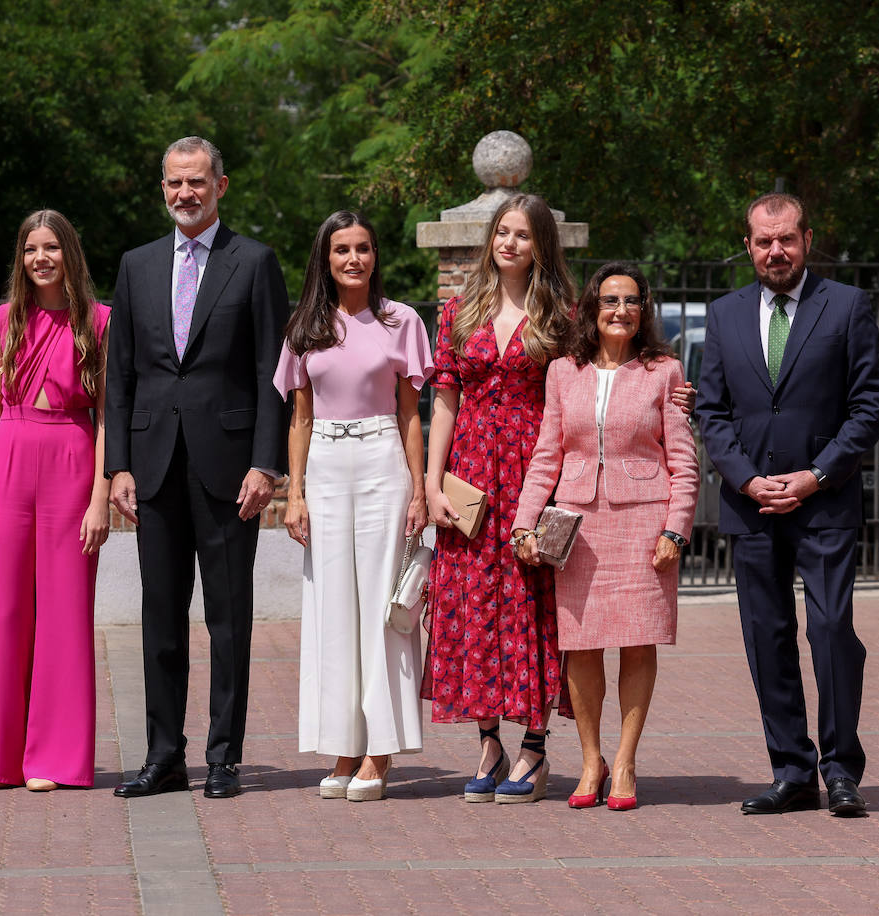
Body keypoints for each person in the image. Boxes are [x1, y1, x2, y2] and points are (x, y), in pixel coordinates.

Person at [695, 192, 879, 817]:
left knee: (831, 631)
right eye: (762, 241)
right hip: (751, 506)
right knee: (766, 637)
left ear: (807, 238)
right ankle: (792, 770)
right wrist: (749, 480)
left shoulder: (847, 307)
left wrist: (816, 475)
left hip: (825, 503)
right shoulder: (723, 316)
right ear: (747, 245)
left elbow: (869, 406)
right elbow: (712, 412)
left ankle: (840, 770)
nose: (774, 251)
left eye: (785, 239)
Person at [107, 136, 287, 800]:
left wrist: (268, 464)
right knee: (160, 617)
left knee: (229, 617)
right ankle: (164, 754)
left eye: (198, 182)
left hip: (230, 467)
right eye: (174, 183)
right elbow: (120, 375)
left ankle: (224, 757)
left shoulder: (255, 262)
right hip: (153, 467)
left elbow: (276, 373)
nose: (186, 193)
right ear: (163, 188)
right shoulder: (137, 265)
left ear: (221, 185)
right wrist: (116, 466)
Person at [513, 262, 699, 811]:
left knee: (638, 642)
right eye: (610, 300)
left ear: (644, 310)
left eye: (632, 301)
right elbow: (547, 454)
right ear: (591, 309)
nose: (621, 310)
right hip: (578, 529)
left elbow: (685, 463)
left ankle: (625, 761)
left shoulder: (664, 371)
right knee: (581, 647)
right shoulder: (562, 373)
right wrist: (524, 522)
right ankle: (590, 759)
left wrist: (676, 529)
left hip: (645, 525)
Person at [421, 194, 576, 804]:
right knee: (473, 602)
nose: (509, 243)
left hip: (534, 471)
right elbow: (444, 401)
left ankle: (534, 747)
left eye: (523, 235)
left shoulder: (561, 315)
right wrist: (432, 485)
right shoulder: (459, 311)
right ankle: (489, 740)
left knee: (534, 604)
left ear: (542, 245)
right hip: (469, 476)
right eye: (502, 232)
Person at [275, 211, 432, 802]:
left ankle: (380, 750)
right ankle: (343, 743)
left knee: (381, 605)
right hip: (324, 468)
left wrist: (419, 490)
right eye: (341, 249)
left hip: (383, 463)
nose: (353, 259)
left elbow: (410, 414)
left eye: (363, 248)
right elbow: (300, 419)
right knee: (331, 606)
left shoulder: (402, 321)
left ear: (375, 255)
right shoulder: (305, 327)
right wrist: (296, 492)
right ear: (326, 257)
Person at [0, 210, 111, 791]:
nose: (40, 258)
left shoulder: (99, 322)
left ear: (68, 252)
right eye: (29, 249)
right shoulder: (5, 320)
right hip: (13, 463)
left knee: (66, 614)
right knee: (9, 613)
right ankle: (5, 759)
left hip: (72, 459)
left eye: (50, 247)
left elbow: (105, 418)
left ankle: (56, 761)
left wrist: (100, 498)